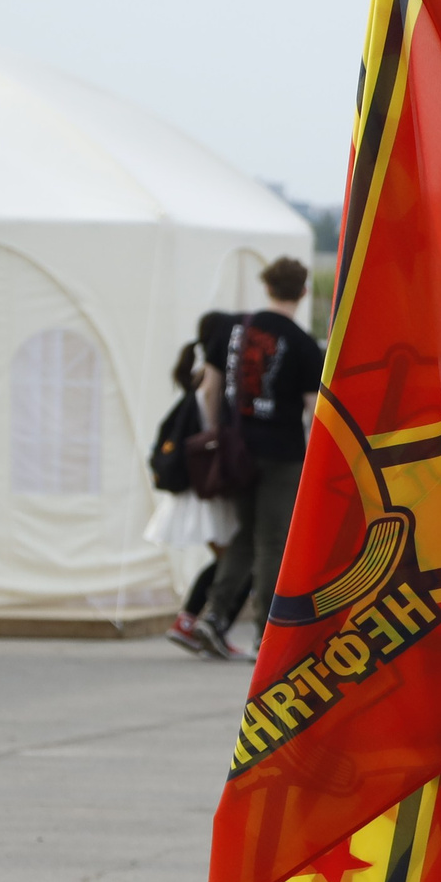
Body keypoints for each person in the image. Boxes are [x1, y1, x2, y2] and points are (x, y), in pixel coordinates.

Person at [191, 260, 323, 659]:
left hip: (238, 449)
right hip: (281, 453)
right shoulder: (302, 344)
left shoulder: (232, 328)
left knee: (244, 535)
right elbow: (313, 407)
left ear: (266, 286)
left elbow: (210, 389)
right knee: (273, 542)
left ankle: (213, 615)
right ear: (302, 293)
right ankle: (265, 634)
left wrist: (220, 432)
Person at [152, 328, 242, 656]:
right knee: (235, 558)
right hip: (210, 485)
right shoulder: (210, 381)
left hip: (201, 485)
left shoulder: (197, 378)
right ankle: (199, 622)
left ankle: (193, 622)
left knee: (229, 557)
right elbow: (211, 415)